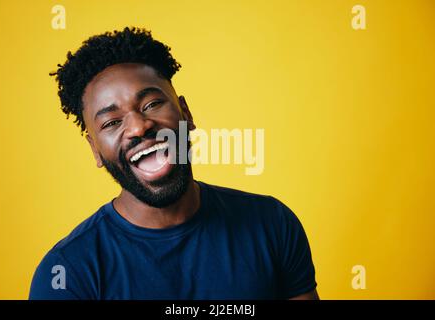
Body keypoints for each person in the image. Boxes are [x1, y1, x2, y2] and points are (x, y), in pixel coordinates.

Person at [29, 27, 318, 300]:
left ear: (185, 113)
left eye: (152, 104)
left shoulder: (271, 224)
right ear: (95, 150)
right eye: (112, 122)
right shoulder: (68, 274)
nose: (139, 127)